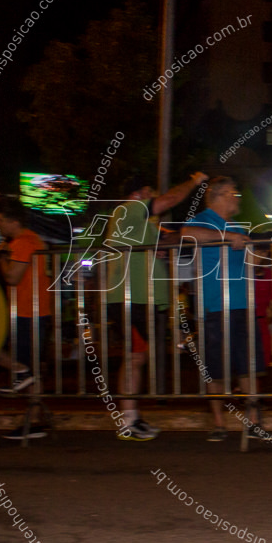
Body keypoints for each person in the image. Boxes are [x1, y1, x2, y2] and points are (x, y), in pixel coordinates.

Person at [105, 172, 209, 440]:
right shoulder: (128, 209)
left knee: (137, 357)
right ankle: (128, 420)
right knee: (134, 358)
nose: (154, 197)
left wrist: (166, 244)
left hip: (137, 298)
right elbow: (170, 199)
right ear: (137, 194)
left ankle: (131, 418)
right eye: (150, 191)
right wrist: (194, 182)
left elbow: (155, 244)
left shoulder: (137, 223)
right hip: (131, 298)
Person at [179, 177, 265, 441]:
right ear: (222, 195)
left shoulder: (236, 226)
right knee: (214, 369)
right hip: (215, 306)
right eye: (235, 193)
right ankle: (219, 424)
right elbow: (186, 234)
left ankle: (253, 423)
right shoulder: (205, 219)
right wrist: (229, 237)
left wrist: (267, 252)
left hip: (242, 305)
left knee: (249, 367)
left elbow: (252, 262)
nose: (237, 198)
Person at [0, 197, 53, 440]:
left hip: (29, 312)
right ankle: (35, 419)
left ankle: (21, 375)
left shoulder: (23, 242)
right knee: (33, 367)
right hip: (28, 311)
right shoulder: (25, 241)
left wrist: (3, 258)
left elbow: (12, 277)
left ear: (12, 221)